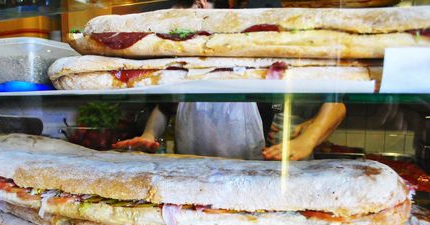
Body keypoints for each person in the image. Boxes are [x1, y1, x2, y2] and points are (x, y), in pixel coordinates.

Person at [112, 0, 346, 160]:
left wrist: (306, 140)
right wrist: (150, 134)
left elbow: (337, 102)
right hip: (195, 176)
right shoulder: (185, 56)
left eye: (178, 22)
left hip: (257, 173)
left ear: (201, 4)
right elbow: (166, 105)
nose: (176, 33)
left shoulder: (260, 45)